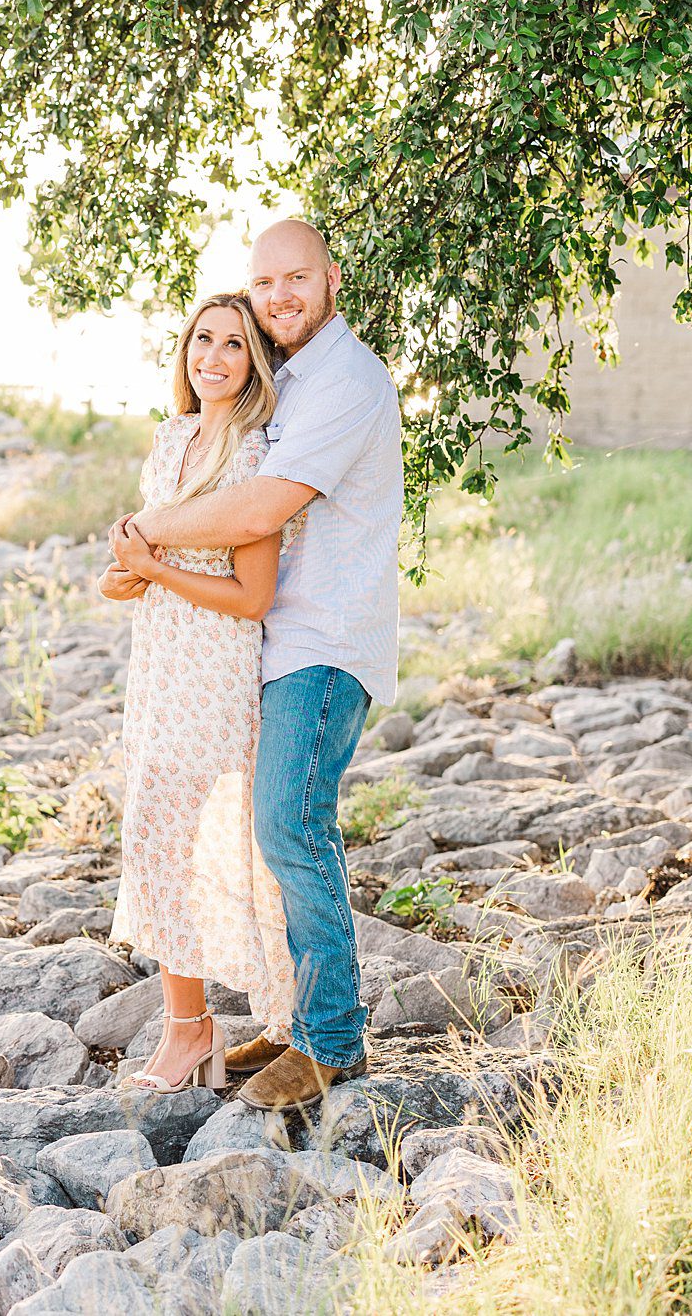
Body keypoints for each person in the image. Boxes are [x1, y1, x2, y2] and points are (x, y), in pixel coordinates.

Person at [113, 218, 403, 1110]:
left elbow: (261, 509)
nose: (280, 296)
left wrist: (146, 536)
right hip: (275, 647)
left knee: (289, 826)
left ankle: (330, 1044)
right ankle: (285, 1021)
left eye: (296, 279)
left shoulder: (347, 380)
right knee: (263, 835)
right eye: (264, 281)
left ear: (331, 279)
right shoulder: (292, 381)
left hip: (325, 641)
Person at [98, 291, 300, 1093]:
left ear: (255, 363)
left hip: (213, 666)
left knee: (173, 834)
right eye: (202, 341)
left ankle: (201, 1029)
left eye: (234, 346)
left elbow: (252, 598)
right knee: (158, 835)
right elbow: (150, 557)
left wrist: (157, 571)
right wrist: (129, 579)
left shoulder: (256, 453)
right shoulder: (172, 436)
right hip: (157, 662)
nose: (213, 357)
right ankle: (198, 1027)